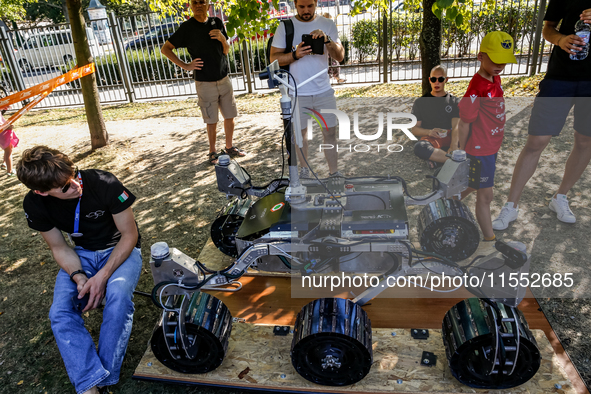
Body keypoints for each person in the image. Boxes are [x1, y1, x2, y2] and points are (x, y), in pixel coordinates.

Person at [16, 146, 142, 394]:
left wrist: (102, 277)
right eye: (64, 187)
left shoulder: (103, 181)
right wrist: (79, 275)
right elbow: (59, 247)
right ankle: (89, 386)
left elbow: (130, 235)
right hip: (81, 254)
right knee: (60, 313)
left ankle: (103, 378)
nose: (76, 185)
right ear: (41, 192)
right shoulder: (34, 204)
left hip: (120, 250)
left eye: (74, 175)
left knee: (118, 298)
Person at [493, 2, 591, 229]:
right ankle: (511, 205)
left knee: (585, 140)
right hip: (560, 78)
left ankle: (561, 197)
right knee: (536, 141)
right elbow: (548, 28)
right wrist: (560, 39)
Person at [161, 0, 246, 165]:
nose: (198, 4)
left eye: (202, 1)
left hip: (223, 78)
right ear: (190, 6)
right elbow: (165, 49)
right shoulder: (187, 28)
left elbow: (226, 50)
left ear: (208, 5)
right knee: (211, 120)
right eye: (195, 2)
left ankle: (229, 147)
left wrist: (222, 38)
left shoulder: (216, 22)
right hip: (204, 82)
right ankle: (212, 152)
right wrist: (186, 66)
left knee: (230, 116)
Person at [270, 0, 345, 178]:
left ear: (316, 3)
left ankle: (334, 173)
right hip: (297, 92)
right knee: (300, 134)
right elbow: (274, 59)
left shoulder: (327, 24)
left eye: (310, 6)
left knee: (330, 132)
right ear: (295, 4)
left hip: (324, 91)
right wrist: (295, 54)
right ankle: (305, 172)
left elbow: (340, 56)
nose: (306, 10)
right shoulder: (285, 26)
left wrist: (327, 40)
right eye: (302, 6)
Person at [457, 31, 517, 242]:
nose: (500, 65)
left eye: (505, 60)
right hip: (481, 150)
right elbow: (464, 122)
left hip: (491, 147)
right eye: (495, 59)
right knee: (486, 196)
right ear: (480, 56)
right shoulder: (477, 88)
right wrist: (461, 150)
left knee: (473, 186)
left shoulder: (495, 77)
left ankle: (446, 200)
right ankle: (489, 239)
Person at [411, 65, 460, 169]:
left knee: (474, 138)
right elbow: (415, 129)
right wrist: (429, 132)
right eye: (433, 79)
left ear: (446, 80)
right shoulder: (420, 102)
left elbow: (456, 126)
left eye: (440, 79)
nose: (436, 82)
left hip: (451, 135)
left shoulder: (454, 101)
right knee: (420, 148)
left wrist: (453, 145)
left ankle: (437, 158)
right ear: (429, 80)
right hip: (432, 138)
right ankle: (453, 161)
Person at [323, 13, 346, 84]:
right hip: (325, 51)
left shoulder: (330, 28)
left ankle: (337, 78)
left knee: (335, 64)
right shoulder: (322, 28)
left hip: (330, 51)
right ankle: (334, 78)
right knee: (328, 66)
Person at [0, 109, 18, 177]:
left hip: (3, 131)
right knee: (8, 151)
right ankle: (10, 171)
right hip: (3, 131)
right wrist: (7, 127)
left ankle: (4, 163)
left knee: (7, 149)